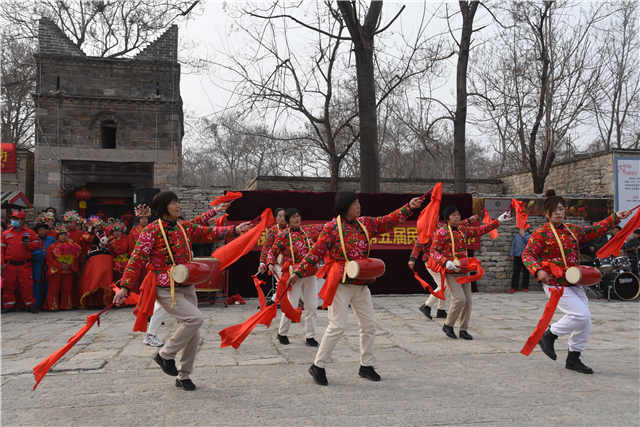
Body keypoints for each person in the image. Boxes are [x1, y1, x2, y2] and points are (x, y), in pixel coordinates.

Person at [113, 191, 252, 391]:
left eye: (178, 202)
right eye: (173, 203)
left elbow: (207, 232)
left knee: (193, 333)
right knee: (195, 319)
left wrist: (235, 229)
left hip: (186, 284)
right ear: (163, 208)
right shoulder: (151, 231)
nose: (178, 206)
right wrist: (125, 287)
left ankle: (184, 375)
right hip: (165, 287)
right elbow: (137, 259)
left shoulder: (182, 227)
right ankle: (165, 355)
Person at [288, 192, 423, 386]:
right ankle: (318, 365)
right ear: (344, 207)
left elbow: (388, 221)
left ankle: (366, 365)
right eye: (354, 204)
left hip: (361, 283)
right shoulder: (332, 228)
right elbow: (316, 252)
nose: (358, 207)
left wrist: (409, 206)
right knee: (337, 326)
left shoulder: (365, 224)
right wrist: (298, 273)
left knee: (369, 326)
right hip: (341, 284)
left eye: (358, 203)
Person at [522, 190, 630, 374]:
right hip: (554, 282)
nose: (558, 212)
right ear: (547, 214)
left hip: (575, 280)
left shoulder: (573, 230)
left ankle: (574, 358)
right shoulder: (541, 234)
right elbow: (528, 255)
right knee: (581, 316)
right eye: (554, 210)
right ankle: (549, 334)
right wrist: (538, 270)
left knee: (585, 322)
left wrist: (615, 218)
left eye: (561, 209)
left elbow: (595, 229)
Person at [429, 205, 511, 340]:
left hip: (464, 271)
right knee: (459, 299)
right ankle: (448, 325)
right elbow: (433, 251)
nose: (457, 217)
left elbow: (480, 230)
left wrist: (498, 221)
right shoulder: (442, 232)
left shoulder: (462, 229)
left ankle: (463, 329)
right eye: (454, 215)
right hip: (451, 271)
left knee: (468, 302)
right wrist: (444, 261)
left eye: (458, 215)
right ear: (447, 218)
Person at [267, 208, 323, 346]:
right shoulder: (283, 236)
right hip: (294, 276)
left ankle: (310, 336)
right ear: (288, 220)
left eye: (298, 216)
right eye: (293, 217)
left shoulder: (308, 231)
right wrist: (268, 263)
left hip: (310, 273)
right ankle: (282, 333)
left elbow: (325, 229)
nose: (296, 219)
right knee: (291, 305)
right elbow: (272, 252)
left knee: (312, 306)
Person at [411, 216, 479, 320]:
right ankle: (427, 306)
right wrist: (412, 259)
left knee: (445, 285)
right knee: (445, 286)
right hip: (432, 262)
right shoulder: (425, 230)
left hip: (443, 262)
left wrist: (469, 220)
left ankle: (441, 310)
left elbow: (458, 224)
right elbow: (418, 245)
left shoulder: (442, 226)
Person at [1, 210, 40, 312]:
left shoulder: (30, 233)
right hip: (9, 265)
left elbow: (37, 245)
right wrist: (2, 263)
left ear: (23, 220)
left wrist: (28, 245)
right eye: (13, 219)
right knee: (8, 285)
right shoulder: (6, 233)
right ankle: (8, 306)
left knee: (27, 285)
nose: (14, 221)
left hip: (25, 265)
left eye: (17, 219)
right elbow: (2, 250)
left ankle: (30, 305)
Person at [44, 226, 81, 311]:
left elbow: (76, 257)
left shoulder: (73, 246)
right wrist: (60, 265)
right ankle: (53, 305)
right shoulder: (52, 246)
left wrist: (69, 264)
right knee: (54, 289)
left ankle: (66, 305)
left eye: (65, 234)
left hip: (68, 269)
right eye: (61, 235)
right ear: (57, 236)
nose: (63, 236)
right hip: (56, 270)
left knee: (67, 289)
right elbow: (49, 259)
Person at [32, 223, 56, 309]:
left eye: (44, 229)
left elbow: (56, 250)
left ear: (47, 230)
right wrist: (41, 254)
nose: (42, 231)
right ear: (37, 231)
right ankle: (36, 304)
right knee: (37, 283)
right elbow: (31, 251)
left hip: (49, 264)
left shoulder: (52, 239)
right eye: (40, 230)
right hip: (37, 264)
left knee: (49, 284)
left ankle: (48, 305)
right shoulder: (34, 239)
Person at [510, 228, 531, 293]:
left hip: (526, 256)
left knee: (526, 272)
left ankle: (525, 287)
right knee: (516, 272)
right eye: (520, 229)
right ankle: (514, 287)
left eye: (522, 229)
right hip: (517, 256)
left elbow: (529, 243)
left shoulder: (529, 236)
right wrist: (512, 254)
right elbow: (513, 245)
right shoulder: (516, 236)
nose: (520, 230)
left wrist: (523, 236)